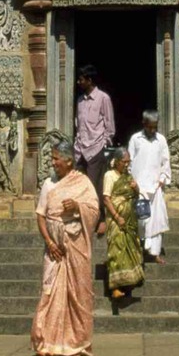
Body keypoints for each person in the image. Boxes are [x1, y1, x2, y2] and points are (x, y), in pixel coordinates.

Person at [31, 139, 101, 356]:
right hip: (54, 249)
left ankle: (76, 342)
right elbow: (40, 216)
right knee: (49, 291)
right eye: (52, 158)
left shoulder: (82, 182)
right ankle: (48, 342)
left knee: (77, 292)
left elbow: (94, 210)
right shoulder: (48, 184)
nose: (53, 163)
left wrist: (77, 205)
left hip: (75, 244)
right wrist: (50, 242)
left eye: (56, 159)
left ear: (69, 161)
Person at [74, 65, 115, 234]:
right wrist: (77, 143)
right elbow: (79, 124)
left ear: (89, 80)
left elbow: (110, 126)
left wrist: (103, 143)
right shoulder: (80, 101)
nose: (78, 82)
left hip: (96, 148)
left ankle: (101, 219)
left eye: (81, 79)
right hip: (80, 150)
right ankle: (84, 218)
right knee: (80, 185)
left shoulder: (103, 98)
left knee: (96, 186)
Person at [128, 111, 171, 264]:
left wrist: (162, 179)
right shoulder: (135, 139)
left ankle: (155, 253)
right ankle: (139, 251)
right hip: (139, 187)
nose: (152, 130)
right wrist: (131, 181)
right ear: (144, 124)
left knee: (157, 220)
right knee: (141, 220)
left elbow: (166, 162)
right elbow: (129, 162)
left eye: (155, 127)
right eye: (150, 127)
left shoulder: (161, 140)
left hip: (156, 186)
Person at [102, 147, 145, 300]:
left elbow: (136, 195)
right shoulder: (109, 175)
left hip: (129, 220)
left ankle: (128, 282)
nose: (126, 165)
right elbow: (106, 199)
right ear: (116, 161)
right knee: (117, 249)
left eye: (128, 162)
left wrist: (136, 188)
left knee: (130, 249)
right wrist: (117, 216)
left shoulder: (128, 176)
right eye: (124, 162)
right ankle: (115, 287)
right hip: (116, 220)